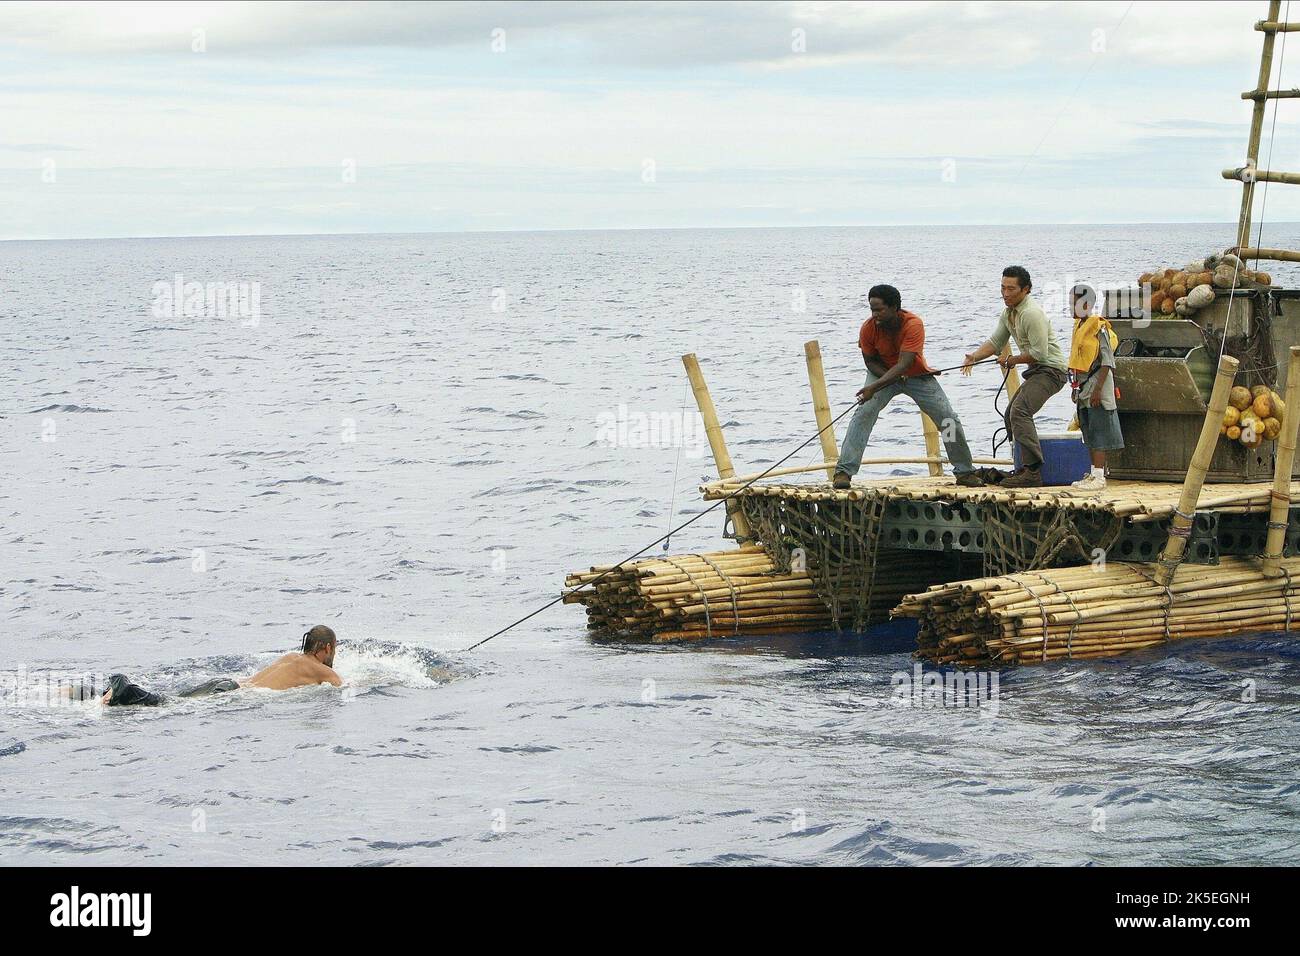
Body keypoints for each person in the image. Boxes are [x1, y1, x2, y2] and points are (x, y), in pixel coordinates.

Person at [831, 284, 984, 489]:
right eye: (872, 309)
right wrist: (881, 383)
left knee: (948, 419)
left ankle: (964, 471)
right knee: (863, 413)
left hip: (916, 375)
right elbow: (869, 361)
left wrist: (875, 386)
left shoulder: (913, 324)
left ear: (895, 307)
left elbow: (905, 364)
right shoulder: (868, 328)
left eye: (879, 310)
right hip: (882, 374)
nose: (875, 314)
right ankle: (844, 471)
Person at [961, 266, 1069, 488]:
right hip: (1037, 371)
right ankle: (1022, 467)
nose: (1006, 293)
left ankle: (1032, 472)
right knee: (1011, 412)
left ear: (1026, 290)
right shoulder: (1008, 313)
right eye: (1003, 288)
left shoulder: (1031, 313)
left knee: (1020, 411)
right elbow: (995, 342)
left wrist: (1012, 361)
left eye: (1011, 289)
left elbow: (1040, 354)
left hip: (1052, 371)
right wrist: (974, 357)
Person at [85, 625, 342, 707]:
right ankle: (123, 687)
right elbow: (342, 686)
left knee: (170, 699)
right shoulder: (322, 670)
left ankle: (101, 693)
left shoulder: (290, 657)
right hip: (231, 693)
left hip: (229, 683)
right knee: (166, 704)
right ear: (327, 648)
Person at [1067, 284, 1123, 491]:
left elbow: (1107, 361)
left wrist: (1098, 390)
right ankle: (1092, 473)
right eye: (1070, 302)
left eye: (1075, 302)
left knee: (1100, 429)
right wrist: (1074, 388)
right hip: (1082, 386)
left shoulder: (1099, 328)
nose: (1071, 306)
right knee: (1088, 429)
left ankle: (1100, 475)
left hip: (1097, 384)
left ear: (1087, 304)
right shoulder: (1079, 327)